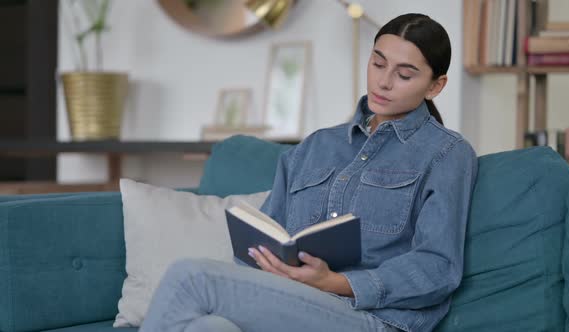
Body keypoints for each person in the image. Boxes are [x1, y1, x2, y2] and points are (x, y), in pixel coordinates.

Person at [139, 13, 478, 332]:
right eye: (377, 63)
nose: (384, 82)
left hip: (374, 319)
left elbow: (437, 267)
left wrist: (335, 282)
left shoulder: (447, 153)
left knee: (192, 276)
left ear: (435, 86)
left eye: (404, 75)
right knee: (207, 327)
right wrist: (271, 266)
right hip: (293, 303)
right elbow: (262, 242)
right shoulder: (315, 146)